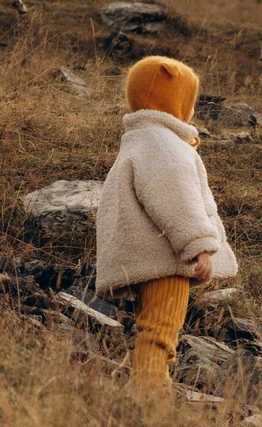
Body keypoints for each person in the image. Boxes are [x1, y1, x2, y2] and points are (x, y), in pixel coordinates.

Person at [94, 55, 237, 392]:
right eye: (190, 101)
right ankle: (149, 391)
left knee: (152, 325)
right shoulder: (164, 145)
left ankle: (146, 386)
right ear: (175, 99)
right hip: (167, 259)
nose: (192, 109)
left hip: (148, 254)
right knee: (162, 328)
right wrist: (199, 246)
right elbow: (176, 199)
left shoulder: (140, 140)